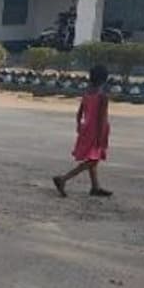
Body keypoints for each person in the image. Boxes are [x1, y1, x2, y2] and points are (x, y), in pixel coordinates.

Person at [54, 64, 113, 198]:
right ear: (104, 79)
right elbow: (101, 118)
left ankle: (95, 186)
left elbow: (80, 112)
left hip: (86, 128)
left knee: (92, 158)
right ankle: (63, 179)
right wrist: (101, 136)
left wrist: (79, 125)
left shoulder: (87, 92)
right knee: (93, 160)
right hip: (96, 130)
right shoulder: (103, 96)